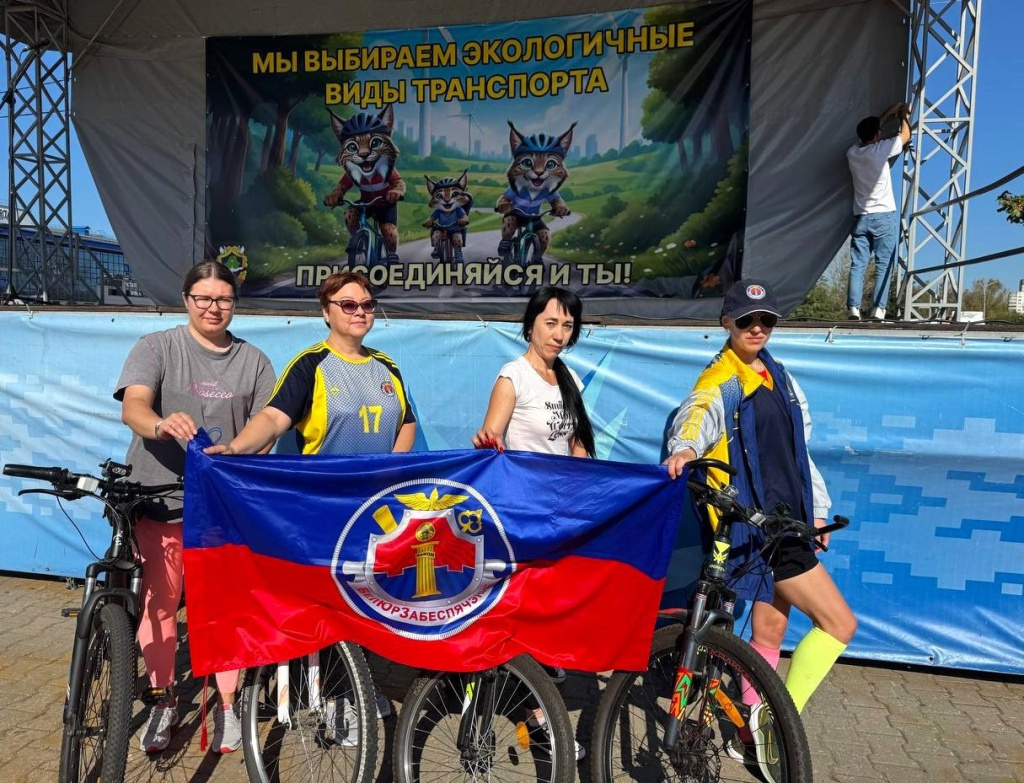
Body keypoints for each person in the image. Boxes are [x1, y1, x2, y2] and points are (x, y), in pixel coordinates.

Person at [205, 270, 416, 729]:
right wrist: (237, 448)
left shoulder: (388, 366)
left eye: (367, 305)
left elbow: (407, 422)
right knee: (331, 603)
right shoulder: (311, 364)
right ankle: (337, 698)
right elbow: (274, 418)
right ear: (326, 312)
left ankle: (358, 684)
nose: (360, 312)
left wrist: (392, 469)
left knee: (368, 599)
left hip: (374, 508)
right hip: (324, 509)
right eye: (348, 304)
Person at [664, 279, 856, 782]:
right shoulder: (723, 378)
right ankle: (776, 727)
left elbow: (798, 451)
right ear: (726, 322)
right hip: (757, 527)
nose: (757, 328)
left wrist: (817, 511)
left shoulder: (780, 376)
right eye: (747, 320)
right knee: (839, 624)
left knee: (769, 633)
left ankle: (752, 733)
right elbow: (696, 414)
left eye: (766, 320)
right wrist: (684, 448)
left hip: (788, 522)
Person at [114, 260, 276, 754]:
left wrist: (242, 454)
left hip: (222, 506)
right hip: (160, 498)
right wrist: (160, 425)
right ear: (186, 300)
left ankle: (226, 706)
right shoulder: (157, 347)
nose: (213, 307)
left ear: (235, 303)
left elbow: (266, 426)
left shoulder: (254, 360)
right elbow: (133, 406)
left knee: (225, 607)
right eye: (203, 298)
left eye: (223, 299)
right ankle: (162, 701)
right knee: (160, 603)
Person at [472, 286, 595, 760]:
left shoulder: (569, 379)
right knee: (520, 611)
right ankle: (531, 713)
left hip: (558, 515)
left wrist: (586, 485)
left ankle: (530, 689)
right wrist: (487, 441)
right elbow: (492, 437)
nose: (559, 334)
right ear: (530, 325)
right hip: (519, 515)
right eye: (551, 323)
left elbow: (577, 443)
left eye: (567, 326)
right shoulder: (513, 376)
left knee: (549, 610)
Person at [846, 101, 912, 321]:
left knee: (858, 264)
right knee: (883, 264)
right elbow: (905, 136)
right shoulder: (882, 149)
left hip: (861, 216)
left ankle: (853, 308)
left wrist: (886, 114)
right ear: (877, 134)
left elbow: (869, 133)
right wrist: (903, 116)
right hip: (884, 215)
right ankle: (878, 309)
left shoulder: (852, 153)